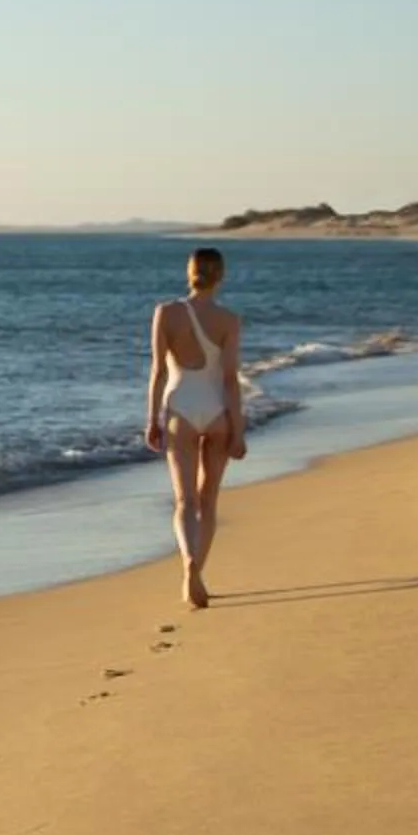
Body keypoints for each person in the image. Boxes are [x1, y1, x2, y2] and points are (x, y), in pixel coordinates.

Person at [145, 247, 246, 609]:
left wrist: (152, 419)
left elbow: (158, 372)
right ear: (221, 276)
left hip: (180, 409)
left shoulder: (166, 313)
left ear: (189, 274)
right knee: (209, 500)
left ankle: (188, 562)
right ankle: (197, 573)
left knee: (185, 501)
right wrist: (239, 428)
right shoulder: (229, 320)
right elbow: (231, 379)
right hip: (217, 410)